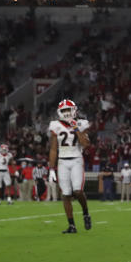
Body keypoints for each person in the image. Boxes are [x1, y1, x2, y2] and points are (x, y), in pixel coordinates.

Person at [47, 98, 92, 233]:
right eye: (64, 110)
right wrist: (51, 168)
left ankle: (85, 213)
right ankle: (72, 225)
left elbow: (85, 144)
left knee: (78, 191)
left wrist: (75, 127)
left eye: (68, 110)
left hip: (77, 159)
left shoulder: (81, 123)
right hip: (62, 161)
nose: (67, 113)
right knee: (66, 194)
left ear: (74, 111)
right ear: (60, 112)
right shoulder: (55, 125)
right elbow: (54, 148)